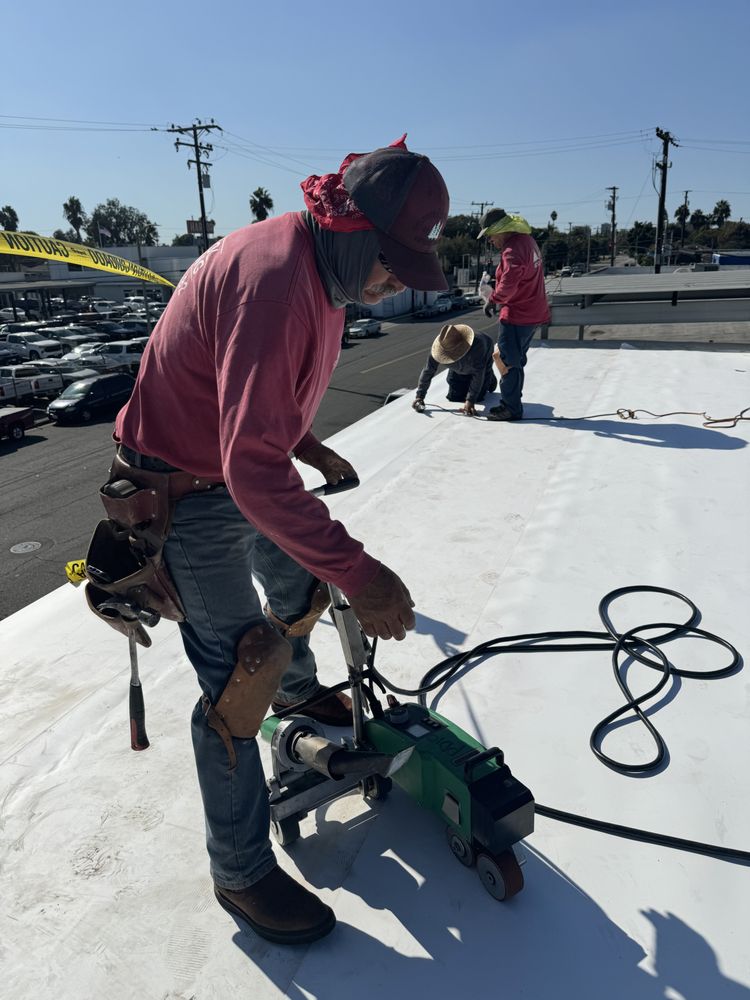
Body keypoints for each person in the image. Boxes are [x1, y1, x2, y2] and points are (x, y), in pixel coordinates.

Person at [103, 137, 450, 945]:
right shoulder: (276, 283)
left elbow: (251, 402)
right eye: (392, 261)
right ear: (356, 231)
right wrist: (366, 574)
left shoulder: (321, 268)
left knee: (299, 586)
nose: (397, 280)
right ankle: (241, 872)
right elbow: (249, 469)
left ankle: (297, 699)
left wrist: (307, 442)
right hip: (182, 491)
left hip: (229, 468)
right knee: (239, 675)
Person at [476, 209, 550, 421]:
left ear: (500, 230)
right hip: (533, 310)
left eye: (490, 234)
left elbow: (509, 285)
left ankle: (511, 407)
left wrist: (493, 299)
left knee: (507, 361)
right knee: (516, 359)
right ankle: (512, 401)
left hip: (518, 313)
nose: (490, 240)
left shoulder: (512, 251)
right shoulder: (527, 241)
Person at [412, 323, 496, 415]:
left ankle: (490, 378)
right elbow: (428, 371)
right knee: (455, 397)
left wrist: (470, 400)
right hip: (459, 369)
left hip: (479, 364)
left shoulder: (479, 346)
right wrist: (420, 396)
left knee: (478, 398)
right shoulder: (440, 346)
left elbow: (478, 374)